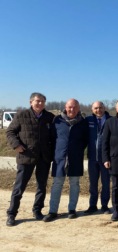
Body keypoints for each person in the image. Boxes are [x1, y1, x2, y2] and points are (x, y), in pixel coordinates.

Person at [6, 92, 55, 227]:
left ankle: (37, 210)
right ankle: (11, 213)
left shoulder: (49, 117)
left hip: (44, 157)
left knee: (41, 186)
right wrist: (16, 145)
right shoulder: (22, 115)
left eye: (42, 101)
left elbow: (53, 137)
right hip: (26, 156)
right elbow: (10, 132)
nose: (40, 104)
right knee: (19, 187)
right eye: (37, 101)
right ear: (31, 102)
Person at [43, 98, 89, 222]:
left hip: (75, 158)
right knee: (57, 184)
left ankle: (72, 209)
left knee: (74, 184)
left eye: (74, 107)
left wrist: (77, 150)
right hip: (60, 158)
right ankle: (53, 211)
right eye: (70, 107)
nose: (72, 109)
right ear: (65, 107)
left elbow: (85, 140)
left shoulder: (83, 122)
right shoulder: (57, 120)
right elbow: (52, 138)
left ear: (78, 109)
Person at [84, 101, 111, 214]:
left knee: (106, 183)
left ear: (104, 108)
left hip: (106, 159)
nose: (98, 110)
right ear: (92, 109)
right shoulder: (88, 120)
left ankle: (104, 206)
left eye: (100, 107)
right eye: (96, 108)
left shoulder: (111, 120)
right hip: (92, 158)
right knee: (93, 183)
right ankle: (92, 205)